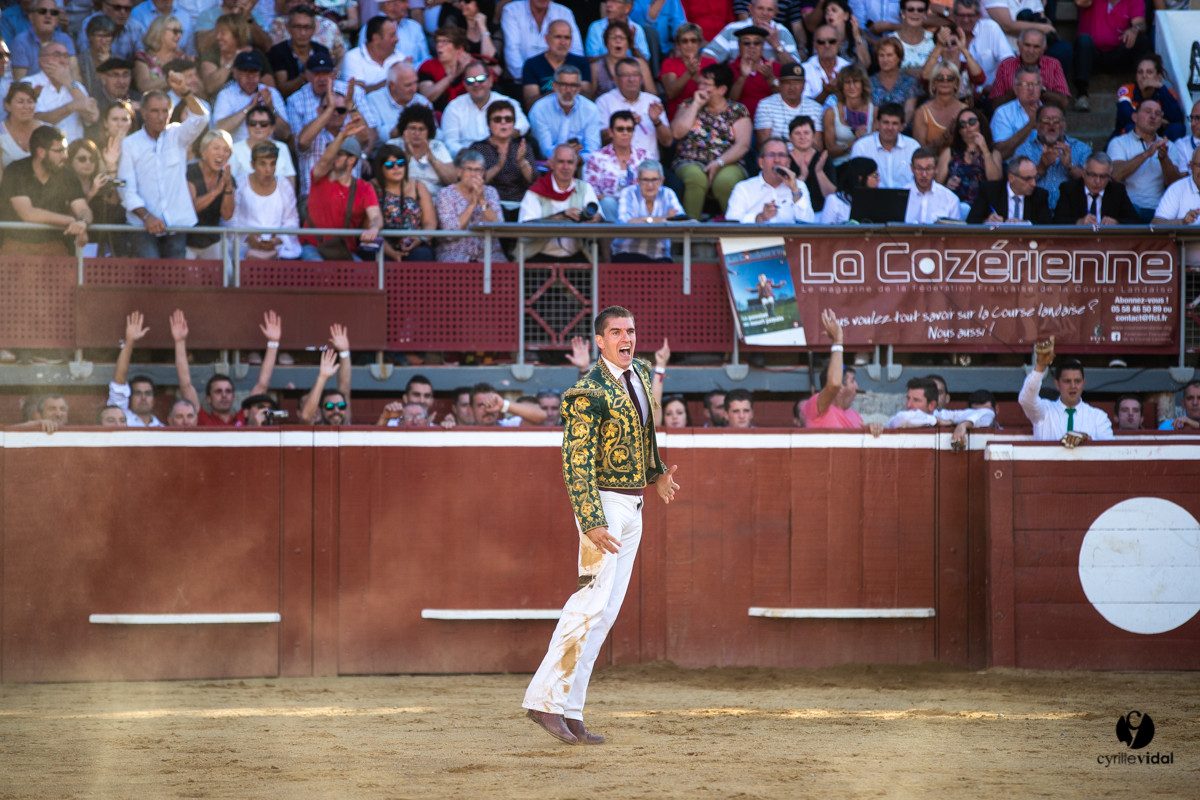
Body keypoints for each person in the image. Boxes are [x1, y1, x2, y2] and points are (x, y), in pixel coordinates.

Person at [522, 305, 678, 746]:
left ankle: (571, 710)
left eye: (631, 330)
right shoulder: (585, 392)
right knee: (588, 603)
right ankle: (543, 701)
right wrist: (590, 521)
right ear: (601, 341)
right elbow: (576, 464)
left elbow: (644, 436)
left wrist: (657, 474)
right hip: (604, 508)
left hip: (634, 508)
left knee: (605, 613)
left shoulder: (642, 373)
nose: (626, 338)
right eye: (616, 332)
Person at [118, 83, 207, 258]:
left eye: (165, 111)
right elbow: (126, 189)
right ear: (143, 113)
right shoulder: (130, 144)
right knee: (150, 278)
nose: (161, 117)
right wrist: (147, 217)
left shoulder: (177, 134)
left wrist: (186, 91)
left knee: (176, 282)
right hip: (142, 227)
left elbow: (202, 117)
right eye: (154, 111)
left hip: (176, 226)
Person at [170, 307, 282, 427]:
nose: (224, 395)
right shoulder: (202, 418)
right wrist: (180, 342)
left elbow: (262, 384)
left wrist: (273, 342)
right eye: (218, 391)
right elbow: (185, 385)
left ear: (233, 397)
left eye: (228, 391)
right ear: (208, 398)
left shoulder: (243, 417)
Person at [670, 62, 750, 219]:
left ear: (722, 90)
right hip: (690, 160)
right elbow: (677, 133)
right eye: (700, 82)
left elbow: (743, 144)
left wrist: (719, 163)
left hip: (728, 162)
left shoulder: (737, 111)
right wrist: (696, 105)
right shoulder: (688, 105)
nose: (700, 87)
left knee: (726, 181)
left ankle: (737, 233)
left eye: (706, 85)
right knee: (695, 177)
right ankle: (690, 232)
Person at [0, 124, 90, 254]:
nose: (65, 156)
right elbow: (28, 214)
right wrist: (71, 221)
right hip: (16, 246)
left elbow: (83, 208)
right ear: (41, 152)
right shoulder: (16, 170)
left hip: (54, 246)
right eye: (59, 151)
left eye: (65, 150)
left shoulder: (68, 175)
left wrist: (82, 223)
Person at [302, 121, 384, 261]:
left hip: (344, 251)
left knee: (365, 277)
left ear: (352, 159)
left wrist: (374, 228)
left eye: (338, 154)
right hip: (313, 246)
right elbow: (323, 161)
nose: (332, 157)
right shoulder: (319, 177)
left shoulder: (364, 187)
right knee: (319, 270)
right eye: (331, 152)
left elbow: (376, 216)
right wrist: (341, 136)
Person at [801, 308, 882, 435]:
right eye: (852, 381)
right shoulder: (816, 407)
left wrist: (872, 429)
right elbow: (833, 384)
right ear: (840, 388)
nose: (857, 386)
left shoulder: (854, 415)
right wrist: (837, 341)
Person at [1018, 336, 1114, 445]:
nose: (1073, 386)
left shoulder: (1098, 417)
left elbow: (1108, 451)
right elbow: (1026, 400)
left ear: (1083, 383)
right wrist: (1040, 367)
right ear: (1057, 384)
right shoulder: (1044, 412)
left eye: (1077, 381)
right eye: (1067, 381)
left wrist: (1088, 441)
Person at [518, 143, 601, 261]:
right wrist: (562, 216)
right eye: (561, 162)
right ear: (551, 164)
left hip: (575, 254)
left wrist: (594, 219)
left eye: (570, 162)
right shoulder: (535, 192)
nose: (566, 167)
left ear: (576, 165)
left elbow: (598, 215)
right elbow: (526, 227)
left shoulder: (585, 188)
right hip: (539, 256)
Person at [1110, 99, 1181, 222]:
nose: (1153, 116)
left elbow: (1175, 185)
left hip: (1159, 210)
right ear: (1134, 117)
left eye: (1158, 114)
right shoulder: (1119, 142)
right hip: (1128, 207)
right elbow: (1115, 175)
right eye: (1148, 112)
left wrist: (1164, 159)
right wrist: (1147, 153)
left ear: (1161, 122)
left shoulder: (1170, 146)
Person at [228, 140, 301, 259]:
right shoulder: (240, 185)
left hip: (278, 247)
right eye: (263, 164)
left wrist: (277, 239)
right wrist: (248, 237)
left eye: (272, 164)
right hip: (245, 246)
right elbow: (231, 220)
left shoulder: (284, 186)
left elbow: (292, 222)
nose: (268, 170)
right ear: (252, 164)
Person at [441, 60, 528, 155]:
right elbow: (450, 142)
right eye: (470, 80)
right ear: (465, 84)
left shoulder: (506, 102)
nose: (476, 84)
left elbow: (523, 124)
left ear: (490, 81)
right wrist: (472, 154)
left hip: (500, 153)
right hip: (468, 160)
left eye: (481, 79)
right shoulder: (454, 107)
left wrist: (504, 136)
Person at [467, 99, 537, 216]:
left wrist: (522, 162)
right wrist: (498, 166)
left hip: (521, 204)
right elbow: (472, 182)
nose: (503, 123)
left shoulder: (522, 147)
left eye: (508, 119)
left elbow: (533, 180)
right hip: (489, 204)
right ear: (488, 124)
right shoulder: (478, 148)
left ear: (513, 124)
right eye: (497, 119)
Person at [1013, 102, 1089, 208]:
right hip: (1035, 212)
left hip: (1071, 213)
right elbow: (1014, 184)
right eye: (1046, 120)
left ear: (1064, 126)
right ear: (1037, 127)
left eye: (1056, 120)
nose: (1051, 124)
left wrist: (1070, 167)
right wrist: (1040, 168)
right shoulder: (1024, 150)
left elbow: (1095, 182)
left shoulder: (1081, 149)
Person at [594, 57, 672, 161]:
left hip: (649, 167)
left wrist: (656, 121)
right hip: (616, 165)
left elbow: (667, 142)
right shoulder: (604, 102)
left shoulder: (653, 101)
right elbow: (600, 140)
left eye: (635, 75)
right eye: (626, 75)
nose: (631, 79)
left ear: (641, 78)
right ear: (616, 79)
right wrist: (625, 125)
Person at [435, 148, 505, 262]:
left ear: (483, 173)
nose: (473, 174)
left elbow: (498, 226)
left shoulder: (491, 192)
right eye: (469, 169)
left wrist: (482, 200)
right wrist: (472, 205)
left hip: (489, 253)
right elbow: (450, 232)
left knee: (505, 270)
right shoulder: (445, 193)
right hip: (455, 252)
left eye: (477, 170)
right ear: (459, 172)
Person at [727, 136, 815, 224]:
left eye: (781, 155)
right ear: (761, 163)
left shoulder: (799, 186)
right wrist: (760, 217)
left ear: (788, 162)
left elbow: (809, 223)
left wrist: (795, 191)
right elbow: (732, 223)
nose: (777, 160)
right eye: (771, 155)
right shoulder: (743, 188)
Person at [372, 143, 435, 261]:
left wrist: (421, 238)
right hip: (382, 244)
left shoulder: (418, 187)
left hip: (414, 242)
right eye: (390, 165)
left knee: (422, 255)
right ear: (380, 167)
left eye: (400, 163)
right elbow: (368, 224)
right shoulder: (372, 187)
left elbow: (430, 222)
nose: (396, 168)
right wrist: (391, 252)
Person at [613, 158, 684, 261]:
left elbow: (681, 221)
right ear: (638, 181)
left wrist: (640, 220)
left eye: (654, 180)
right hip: (627, 254)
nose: (650, 185)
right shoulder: (628, 193)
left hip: (660, 256)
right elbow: (624, 223)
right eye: (645, 180)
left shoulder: (668, 193)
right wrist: (663, 219)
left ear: (662, 180)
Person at [583, 109, 649, 221]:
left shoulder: (645, 156)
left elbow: (655, 189)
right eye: (620, 129)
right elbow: (590, 193)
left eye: (629, 129)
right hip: (608, 210)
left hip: (639, 209)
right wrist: (619, 200)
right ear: (610, 132)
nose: (625, 133)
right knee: (609, 203)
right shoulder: (597, 158)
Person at [527, 64, 601, 162]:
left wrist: (575, 158)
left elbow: (593, 149)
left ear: (579, 88)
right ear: (554, 86)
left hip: (581, 163)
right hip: (549, 165)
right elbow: (544, 151)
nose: (568, 90)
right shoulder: (539, 109)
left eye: (573, 85)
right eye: (563, 85)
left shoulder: (591, 109)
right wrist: (566, 152)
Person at [29, 41, 98, 143]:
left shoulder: (75, 85)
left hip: (74, 152)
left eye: (66, 56)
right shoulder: (30, 83)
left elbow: (93, 116)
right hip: (45, 150)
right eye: (57, 55)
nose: (62, 61)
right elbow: (36, 120)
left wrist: (69, 83)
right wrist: (71, 107)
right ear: (42, 60)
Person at [212, 50, 289, 142]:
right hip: (238, 151)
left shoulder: (271, 93)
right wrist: (249, 107)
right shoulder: (226, 95)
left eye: (254, 72)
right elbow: (220, 130)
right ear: (235, 72)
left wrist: (271, 108)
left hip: (268, 150)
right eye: (246, 72)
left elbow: (285, 134)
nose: (251, 77)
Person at [500, 0, 584, 83]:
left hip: (564, 82)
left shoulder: (564, 12)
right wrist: (528, 79)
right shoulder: (512, 10)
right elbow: (512, 48)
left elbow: (576, 50)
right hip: (521, 80)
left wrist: (567, 81)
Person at [936, 106, 1001, 214]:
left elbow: (995, 181)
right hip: (954, 207)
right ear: (959, 131)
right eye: (962, 124)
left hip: (984, 209)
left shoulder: (994, 153)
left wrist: (984, 149)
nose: (967, 126)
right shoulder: (949, 153)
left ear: (981, 124)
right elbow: (936, 185)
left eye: (972, 121)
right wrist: (947, 186)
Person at [988, 28, 1070, 109]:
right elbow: (995, 105)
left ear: (1044, 49)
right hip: (1012, 118)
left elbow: (1064, 102)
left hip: (1044, 119)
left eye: (1036, 47)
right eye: (1027, 45)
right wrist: (1016, 90)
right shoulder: (1006, 65)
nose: (1031, 51)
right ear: (1019, 45)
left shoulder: (1053, 65)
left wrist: (1041, 90)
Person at [949, 0, 1013, 101]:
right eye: (961, 15)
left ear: (979, 15)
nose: (966, 20)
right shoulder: (947, 34)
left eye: (970, 16)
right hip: (956, 97)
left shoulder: (990, 28)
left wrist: (997, 88)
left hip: (991, 95)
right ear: (954, 16)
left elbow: (1008, 61)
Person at [186, 129, 235, 259]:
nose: (221, 153)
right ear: (204, 152)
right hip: (186, 240)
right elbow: (192, 208)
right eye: (216, 148)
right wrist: (217, 191)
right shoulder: (189, 172)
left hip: (212, 241)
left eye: (226, 150)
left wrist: (228, 187)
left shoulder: (228, 177)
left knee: (228, 273)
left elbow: (227, 215)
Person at [108, 311, 163, 426]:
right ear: (130, 398)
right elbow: (119, 384)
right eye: (138, 393)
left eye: (148, 393)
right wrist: (129, 342)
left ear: (154, 399)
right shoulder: (122, 418)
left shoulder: (161, 428)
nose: (143, 398)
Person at [1054, 152, 1140, 224]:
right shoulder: (1069, 189)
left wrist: (1117, 223)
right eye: (1093, 175)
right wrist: (1079, 222)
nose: (1097, 181)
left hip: (1107, 242)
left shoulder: (1117, 191)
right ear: (1083, 173)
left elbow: (1134, 221)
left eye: (1103, 176)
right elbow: (1058, 221)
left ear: (1110, 175)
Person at [704, 0, 800, 65]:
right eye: (760, 8)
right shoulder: (733, 29)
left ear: (776, 12)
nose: (765, 13)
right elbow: (708, 56)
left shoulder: (782, 32)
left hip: (772, 90)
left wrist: (776, 44)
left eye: (769, 9)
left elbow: (795, 68)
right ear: (750, 9)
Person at [523, 18, 592, 108]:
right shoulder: (532, 64)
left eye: (567, 38)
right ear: (546, 38)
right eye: (558, 37)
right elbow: (530, 104)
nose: (563, 42)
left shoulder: (581, 63)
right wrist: (560, 90)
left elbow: (588, 99)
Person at [389, 103, 455, 196]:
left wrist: (433, 160)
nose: (417, 133)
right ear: (404, 128)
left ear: (429, 131)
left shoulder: (437, 146)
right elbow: (386, 179)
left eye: (421, 129)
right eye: (412, 128)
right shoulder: (393, 145)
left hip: (435, 198)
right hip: (403, 195)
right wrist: (406, 156)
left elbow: (452, 181)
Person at [198, 13, 269, 98]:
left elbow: (270, 88)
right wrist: (233, 59)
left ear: (237, 35)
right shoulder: (212, 55)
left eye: (223, 33)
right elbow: (210, 87)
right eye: (217, 33)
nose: (218, 37)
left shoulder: (255, 54)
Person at [1114, 55, 1184, 141]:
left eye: (1149, 72)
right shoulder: (1126, 90)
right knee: (1131, 127)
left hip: (1158, 139)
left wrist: (1161, 87)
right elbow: (1125, 114)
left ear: (1158, 77)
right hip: (1128, 141)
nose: (1144, 76)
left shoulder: (1167, 93)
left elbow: (1176, 118)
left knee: (1176, 128)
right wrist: (1158, 121)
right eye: (1140, 72)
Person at [850, 103, 919, 188]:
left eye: (894, 123)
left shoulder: (913, 146)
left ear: (901, 126)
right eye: (886, 122)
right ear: (877, 124)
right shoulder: (861, 146)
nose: (889, 128)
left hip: (907, 199)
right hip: (871, 198)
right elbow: (855, 181)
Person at [269, 4, 331, 99]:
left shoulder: (322, 51)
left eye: (307, 27)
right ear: (288, 28)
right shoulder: (278, 51)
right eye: (298, 27)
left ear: (314, 29)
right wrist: (305, 76)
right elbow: (281, 90)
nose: (303, 33)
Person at [754, 62, 823, 147]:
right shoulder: (765, 105)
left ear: (804, 84)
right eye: (787, 82)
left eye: (797, 82)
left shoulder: (816, 108)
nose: (792, 87)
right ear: (780, 84)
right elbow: (763, 145)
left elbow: (818, 147)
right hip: (777, 157)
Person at [967, 154, 1051, 223]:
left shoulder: (1040, 195)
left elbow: (1047, 225)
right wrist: (987, 221)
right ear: (1011, 178)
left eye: (1034, 177)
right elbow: (972, 221)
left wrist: (1025, 224)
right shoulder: (990, 190)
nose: (1033, 183)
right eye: (1027, 179)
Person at [297, 325, 353, 424]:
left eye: (341, 406)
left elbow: (345, 391)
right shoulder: (317, 430)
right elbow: (305, 417)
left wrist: (344, 352)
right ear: (320, 410)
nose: (336, 411)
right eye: (329, 406)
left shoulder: (346, 424)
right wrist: (322, 377)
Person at [229, 105, 296, 187]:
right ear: (247, 127)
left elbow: (290, 181)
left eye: (263, 124)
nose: (257, 127)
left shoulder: (282, 148)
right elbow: (229, 182)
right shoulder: (235, 149)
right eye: (253, 123)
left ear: (272, 129)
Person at [658, 21, 714, 118]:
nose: (689, 45)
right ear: (678, 44)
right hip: (678, 116)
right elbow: (670, 94)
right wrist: (688, 73)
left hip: (706, 115)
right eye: (684, 41)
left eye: (693, 40)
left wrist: (696, 76)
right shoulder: (669, 63)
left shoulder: (711, 63)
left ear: (700, 43)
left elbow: (715, 93)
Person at [12, 0, 78, 81]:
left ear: (57, 19)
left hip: (65, 90)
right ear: (31, 17)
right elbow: (20, 82)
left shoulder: (65, 39)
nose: (48, 16)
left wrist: (72, 85)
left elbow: (76, 78)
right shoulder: (21, 42)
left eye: (53, 12)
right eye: (42, 11)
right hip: (33, 92)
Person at [589, 19, 653, 99]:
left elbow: (652, 94)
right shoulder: (596, 67)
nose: (618, 41)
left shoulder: (640, 64)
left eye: (622, 38)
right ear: (606, 43)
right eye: (613, 37)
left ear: (629, 43)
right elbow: (590, 97)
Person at [823, 66, 874, 167]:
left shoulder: (874, 111)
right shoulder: (831, 112)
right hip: (841, 165)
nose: (852, 86)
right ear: (841, 86)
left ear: (863, 84)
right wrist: (853, 143)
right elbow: (830, 150)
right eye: (847, 82)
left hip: (867, 165)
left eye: (855, 81)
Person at [990, 65, 1042, 160]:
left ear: (1041, 87)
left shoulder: (1049, 111)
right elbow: (1001, 153)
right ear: (1015, 89)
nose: (1031, 89)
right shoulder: (1003, 113)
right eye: (1025, 84)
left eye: (1035, 84)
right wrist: (1030, 125)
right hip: (1014, 170)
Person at [417, 24, 473, 111]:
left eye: (445, 42)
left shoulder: (472, 65)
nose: (439, 45)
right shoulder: (428, 66)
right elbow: (427, 96)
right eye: (437, 41)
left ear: (459, 47)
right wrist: (452, 76)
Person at [913, 62, 966, 153]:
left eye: (950, 78)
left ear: (956, 83)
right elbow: (920, 153)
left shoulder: (965, 110)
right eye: (940, 78)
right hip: (930, 165)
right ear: (933, 83)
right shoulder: (921, 113)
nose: (945, 81)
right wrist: (945, 135)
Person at [340, 16, 403, 91]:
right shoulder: (353, 57)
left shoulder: (400, 57)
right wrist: (390, 82)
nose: (397, 39)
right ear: (376, 38)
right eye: (392, 35)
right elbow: (357, 93)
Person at [787, 116, 835, 212]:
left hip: (821, 213)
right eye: (797, 133)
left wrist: (819, 172)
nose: (802, 137)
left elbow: (831, 196)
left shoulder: (823, 159)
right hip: (792, 211)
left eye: (806, 133)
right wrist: (801, 179)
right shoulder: (784, 159)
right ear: (790, 137)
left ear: (813, 135)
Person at [870, 37, 919, 127]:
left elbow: (909, 110)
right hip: (876, 129)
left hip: (902, 130)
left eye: (889, 55)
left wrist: (898, 127)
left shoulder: (910, 82)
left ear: (899, 58)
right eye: (881, 55)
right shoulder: (869, 82)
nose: (885, 60)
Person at [904, 146, 961, 222]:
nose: (924, 174)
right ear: (912, 168)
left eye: (928, 168)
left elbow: (956, 232)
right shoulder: (899, 197)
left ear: (936, 169)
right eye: (919, 168)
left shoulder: (951, 199)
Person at [133, 14, 186, 93]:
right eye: (175, 31)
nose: (179, 36)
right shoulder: (143, 57)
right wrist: (171, 79)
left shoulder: (182, 58)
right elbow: (143, 86)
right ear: (160, 31)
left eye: (180, 32)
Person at [819, 155, 877, 223]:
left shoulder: (876, 201)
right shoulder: (834, 201)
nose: (879, 179)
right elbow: (824, 230)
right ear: (860, 178)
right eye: (875, 176)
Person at [0, 82, 44, 171]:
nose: (26, 107)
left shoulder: (47, 131)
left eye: (30, 101)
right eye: (20, 102)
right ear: (7, 105)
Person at [800, 24, 848, 104]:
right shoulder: (804, 70)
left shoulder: (848, 68)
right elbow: (804, 107)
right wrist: (825, 93)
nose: (827, 45)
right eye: (821, 42)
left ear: (839, 43)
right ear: (814, 45)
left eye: (832, 41)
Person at [1152, 149, 1200, 227]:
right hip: (1185, 239)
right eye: (1199, 166)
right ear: (1191, 166)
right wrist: (1182, 222)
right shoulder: (1177, 188)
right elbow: (1155, 224)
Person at [887, 0, 934, 77]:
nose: (915, 13)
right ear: (903, 12)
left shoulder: (934, 40)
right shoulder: (891, 40)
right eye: (910, 9)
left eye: (920, 10)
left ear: (925, 13)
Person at [469, 381, 548, 425]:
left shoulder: (509, 424)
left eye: (492, 403)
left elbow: (542, 416)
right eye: (481, 405)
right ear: (471, 409)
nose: (488, 409)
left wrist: (503, 405)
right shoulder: (462, 433)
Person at [1167, 99, 1200, 174]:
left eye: (1198, 118)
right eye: (1191, 118)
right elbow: (1182, 180)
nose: (1193, 123)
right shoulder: (1181, 144)